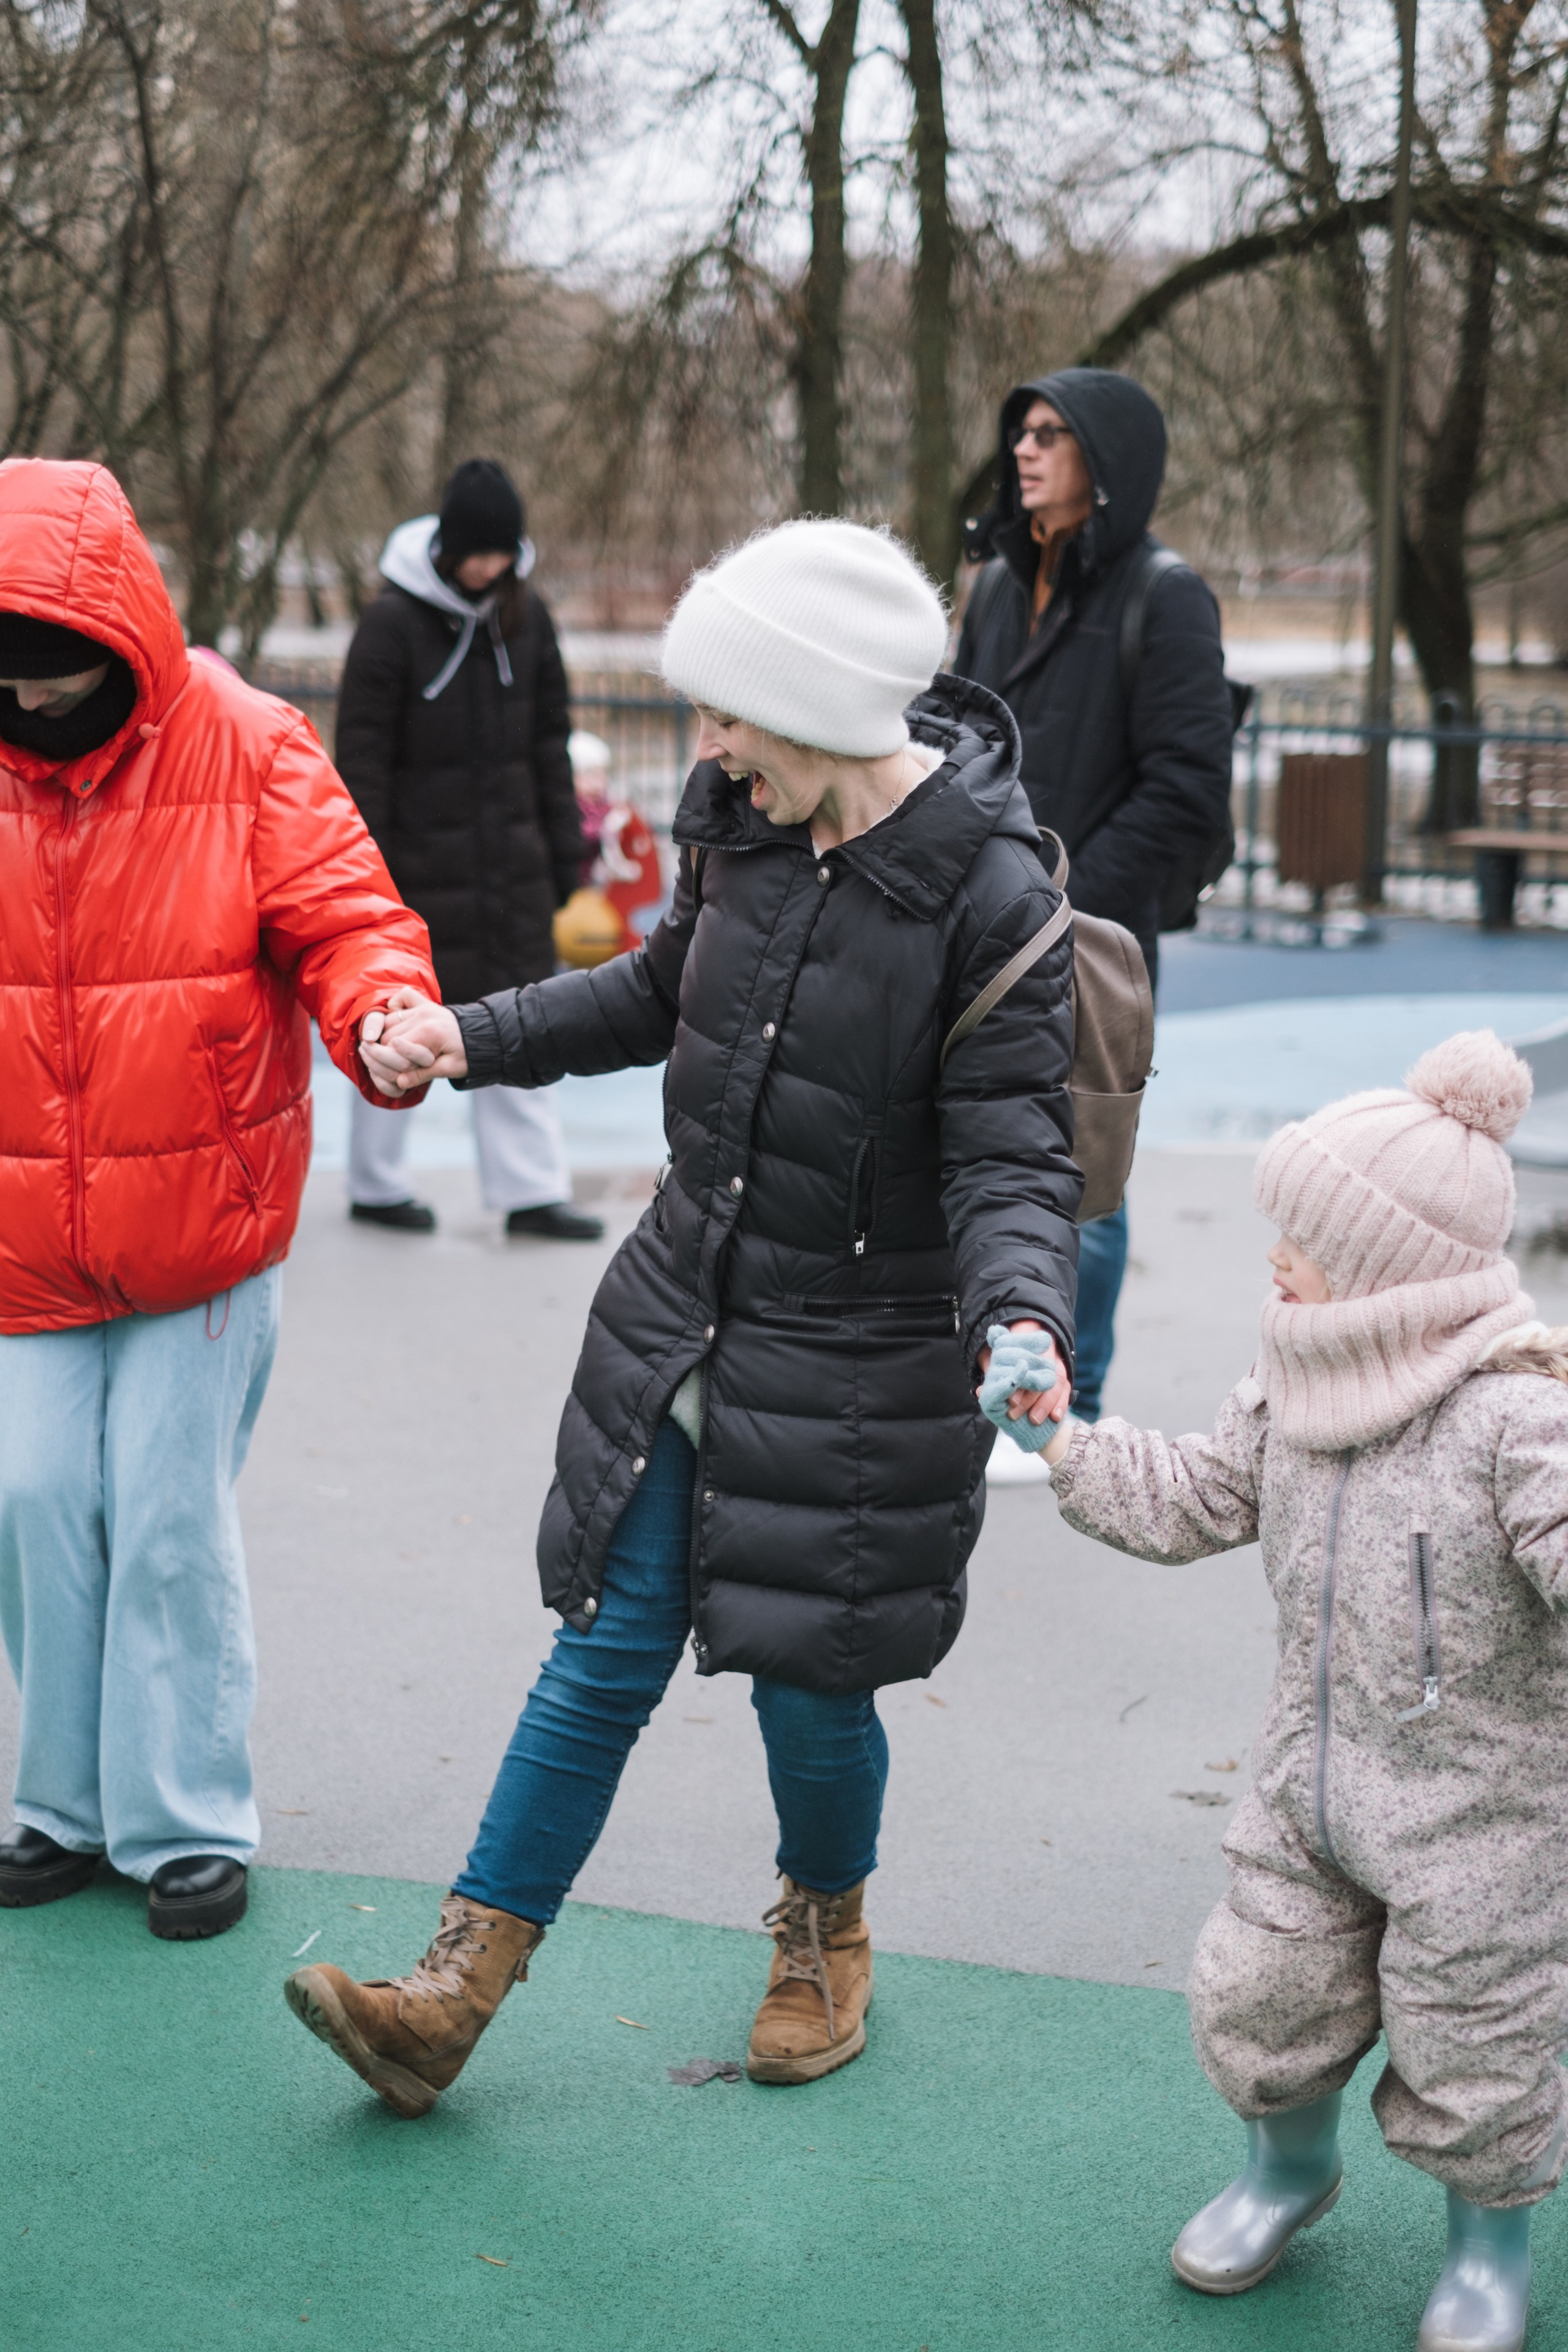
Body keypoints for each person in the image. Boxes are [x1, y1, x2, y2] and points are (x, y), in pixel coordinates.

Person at [284, 518, 1082, 2115]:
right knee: (600, 1656)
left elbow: (1013, 1156)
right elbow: (659, 991)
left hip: (855, 1367)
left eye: (726, 712)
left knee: (810, 1685)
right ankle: (453, 1994)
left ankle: (825, 1930)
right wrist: (471, 1036)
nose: (703, 746)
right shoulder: (746, 827)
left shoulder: (991, 900)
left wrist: (1024, 1319)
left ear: (819, 705)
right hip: (681, 1323)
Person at [1036, 1030, 1567, 2352]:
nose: (1273, 1254)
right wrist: (1057, 1434)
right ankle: (1285, 2170)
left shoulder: (1514, 1417)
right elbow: (1197, 1497)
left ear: (1391, 1263)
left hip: (1482, 1817)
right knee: (1257, 1987)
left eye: (1303, 1234)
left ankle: (1487, 2248)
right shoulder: (1294, 1376)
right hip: (1308, 1786)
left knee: (1477, 2040)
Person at [0, 457, 436, 1939]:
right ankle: (61, 1798)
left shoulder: (249, 745)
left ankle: (181, 1815)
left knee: (169, 1519)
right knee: (36, 1497)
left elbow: (348, 916)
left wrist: (382, 1013)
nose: (38, 702)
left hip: (198, 1222)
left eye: (60, 669)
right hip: (22, 1236)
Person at [954, 368, 1234, 1422]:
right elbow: (957, 744)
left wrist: (1058, 904)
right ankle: (989, 1383)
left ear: (1107, 463)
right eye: (1019, 431)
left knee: (1081, 1180)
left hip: (1090, 944)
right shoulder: (993, 586)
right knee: (980, 1161)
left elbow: (1187, 793)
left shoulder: (1164, 597)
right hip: (976, 931)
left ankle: (1074, 1408)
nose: (1024, 451)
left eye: (1051, 435)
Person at [334, 457, 602, 1242]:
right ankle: (376, 1183)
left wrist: (563, 862)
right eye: (476, 553)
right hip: (412, 873)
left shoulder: (530, 619)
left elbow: (550, 746)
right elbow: (362, 759)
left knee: (521, 1026)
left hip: (511, 869)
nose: (488, 569)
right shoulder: (390, 625)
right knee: (393, 1024)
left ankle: (531, 1191)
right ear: (448, 549)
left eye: (502, 554)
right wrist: (367, 876)